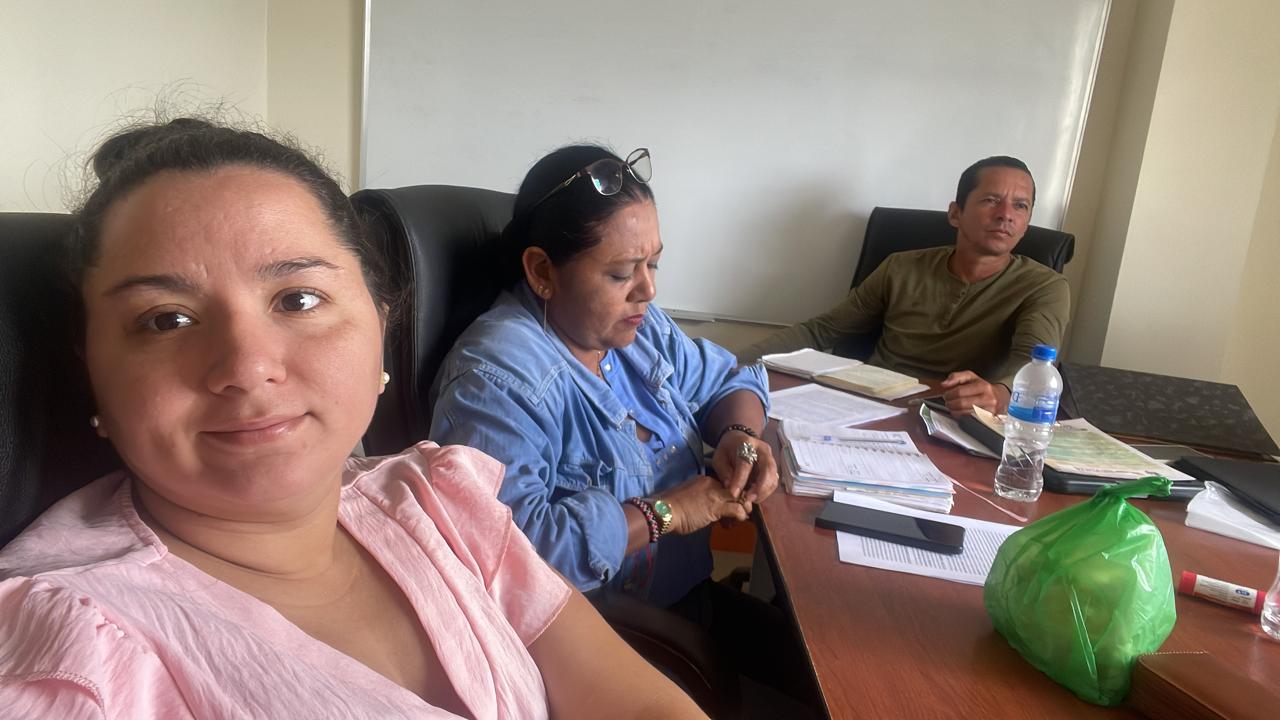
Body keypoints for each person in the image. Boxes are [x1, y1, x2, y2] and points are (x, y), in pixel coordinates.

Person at [0, 119, 705, 719]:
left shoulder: (437, 502)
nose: (246, 366)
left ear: (381, 327)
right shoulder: (68, 651)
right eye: (166, 319)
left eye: (298, 299)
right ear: (91, 371)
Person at [430, 146, 817, 711]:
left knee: (831, 671)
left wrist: (738, 433)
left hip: (687, 603)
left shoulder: (633, 328)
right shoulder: (498, 378)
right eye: (620, 273)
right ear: (542, 272)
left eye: (652, 264)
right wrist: (666, 512)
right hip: (600, 643)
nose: (647, 290)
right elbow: (506, 556)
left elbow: (725, 379)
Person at [738, 156, 1070, 414]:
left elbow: (1034, 363)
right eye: (991, 200)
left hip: (952, 415)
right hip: (867, 403)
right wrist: (732, 365)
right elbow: (821, 330)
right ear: (955, 214)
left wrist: (1000, 394)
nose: (1006, 214)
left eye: (1020, 206)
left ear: (1026, 223)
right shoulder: (901, 266)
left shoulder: (1045, 286)